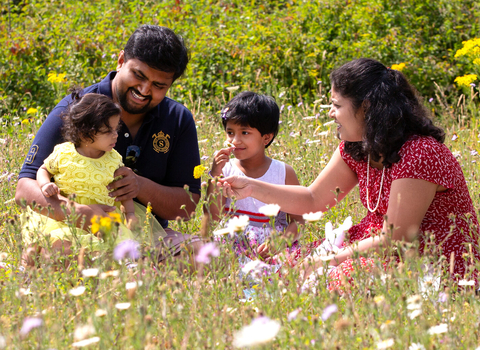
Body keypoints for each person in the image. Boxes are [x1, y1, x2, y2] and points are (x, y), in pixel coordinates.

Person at [219, 58, 480, 292]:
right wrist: (252, 187)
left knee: (318, 281)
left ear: (365, 107)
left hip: (431, 262)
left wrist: (326, 260)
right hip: (374, 247)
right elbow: (312, 199)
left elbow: (397, 239)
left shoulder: (420, 152)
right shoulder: (356, 146)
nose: (331, 113)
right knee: (284, 268)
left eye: (336, 105)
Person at [16, 25, 202, 265]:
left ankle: (134, 270)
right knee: (63, 255)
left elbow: (185, 208)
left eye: (159, 86)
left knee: (201, 252)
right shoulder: (76, 111)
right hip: (68, 231)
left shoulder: (177, 119)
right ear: (121, 60)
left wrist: (138, 187)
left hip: (138, 234)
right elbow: (24, 190)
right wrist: (78, 213)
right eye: (139, 75)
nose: (144, 90)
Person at [23, 92, 144, 256]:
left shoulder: (113, 159)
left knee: (114, 248)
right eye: (108, 130)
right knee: (58, 244)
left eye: (116, 129)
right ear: (84, 133)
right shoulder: (64, 152)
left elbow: (124, 190)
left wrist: (130, 213)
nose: (115, 135)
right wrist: (45, 184)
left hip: (104, 218)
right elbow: (44, 169)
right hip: (66, 218)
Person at [206, 91, 304, 261]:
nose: (235, 140)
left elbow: (299, 221)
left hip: (270, 249)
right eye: (230, 132)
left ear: (266, 138)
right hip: (232, 247)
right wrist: (215, 174)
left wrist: (282, 241)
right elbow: (213, 217)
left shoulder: (283, 173)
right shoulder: (224, 170)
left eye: (244, 133)